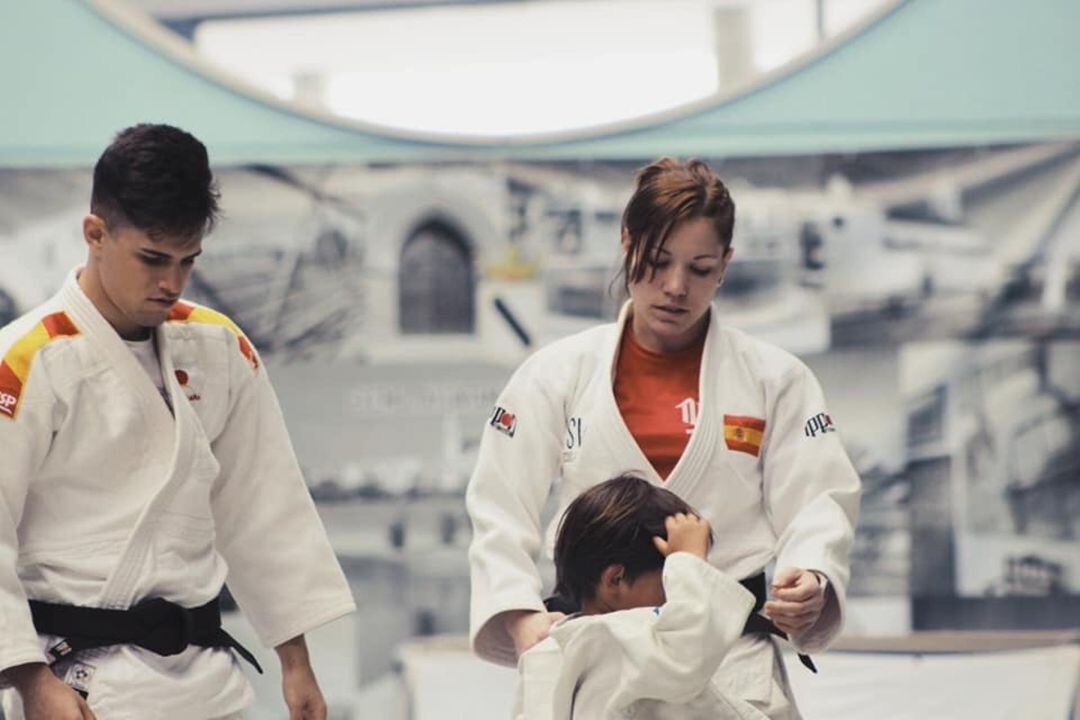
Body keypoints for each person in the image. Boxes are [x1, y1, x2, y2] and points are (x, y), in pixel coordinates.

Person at [467, 158, 861, 719]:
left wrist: (812, 577)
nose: (676, 287)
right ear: (627, 245)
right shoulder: (556, 373)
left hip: (729, 653)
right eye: (657, 262)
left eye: (700, 268)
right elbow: (499, 506)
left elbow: (820, 500)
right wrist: (518, 615)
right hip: (595, 649)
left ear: (725, 266)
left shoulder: (775, 378)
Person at [0, 124, 356, 720]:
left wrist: (295, 659)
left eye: (188, 261)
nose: (171, 282)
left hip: (208, 684)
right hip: (78, 683)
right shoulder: (26, 361)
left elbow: (262, 505)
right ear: (95, 234)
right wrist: (31, 681)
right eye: (153, 259)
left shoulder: (220, 348)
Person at [514, 474, 765, 720]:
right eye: (669, 583)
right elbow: (690, 648)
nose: (674, 601)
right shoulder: (622, 638)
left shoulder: (548, 651)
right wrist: (689, 562)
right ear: (616, 579)